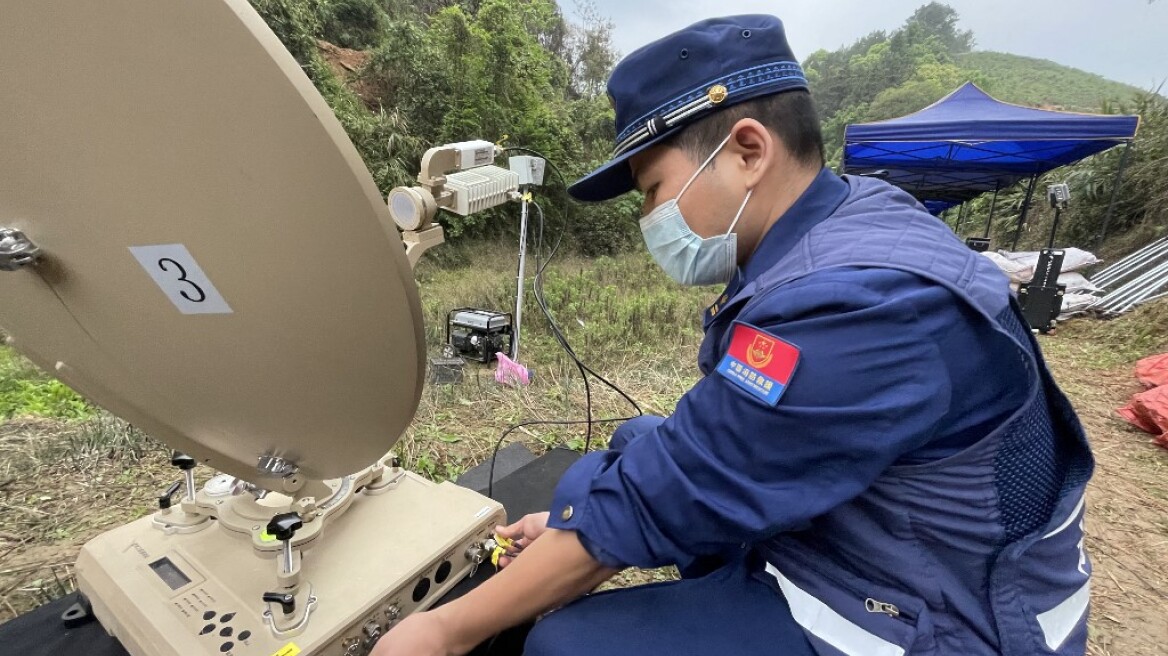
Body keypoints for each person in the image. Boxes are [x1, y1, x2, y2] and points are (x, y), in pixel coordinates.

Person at [375, 14, 1095, 656]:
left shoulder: (857, 305)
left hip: (944, 616)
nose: (650, 217)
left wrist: (446, 629)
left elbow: (678, 490)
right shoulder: (851, 217)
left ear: (748, 150)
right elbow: (709, 445)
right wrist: (577, 512)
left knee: (569, 641)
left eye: (654, 190)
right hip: (890, 540)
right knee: (636, 444)